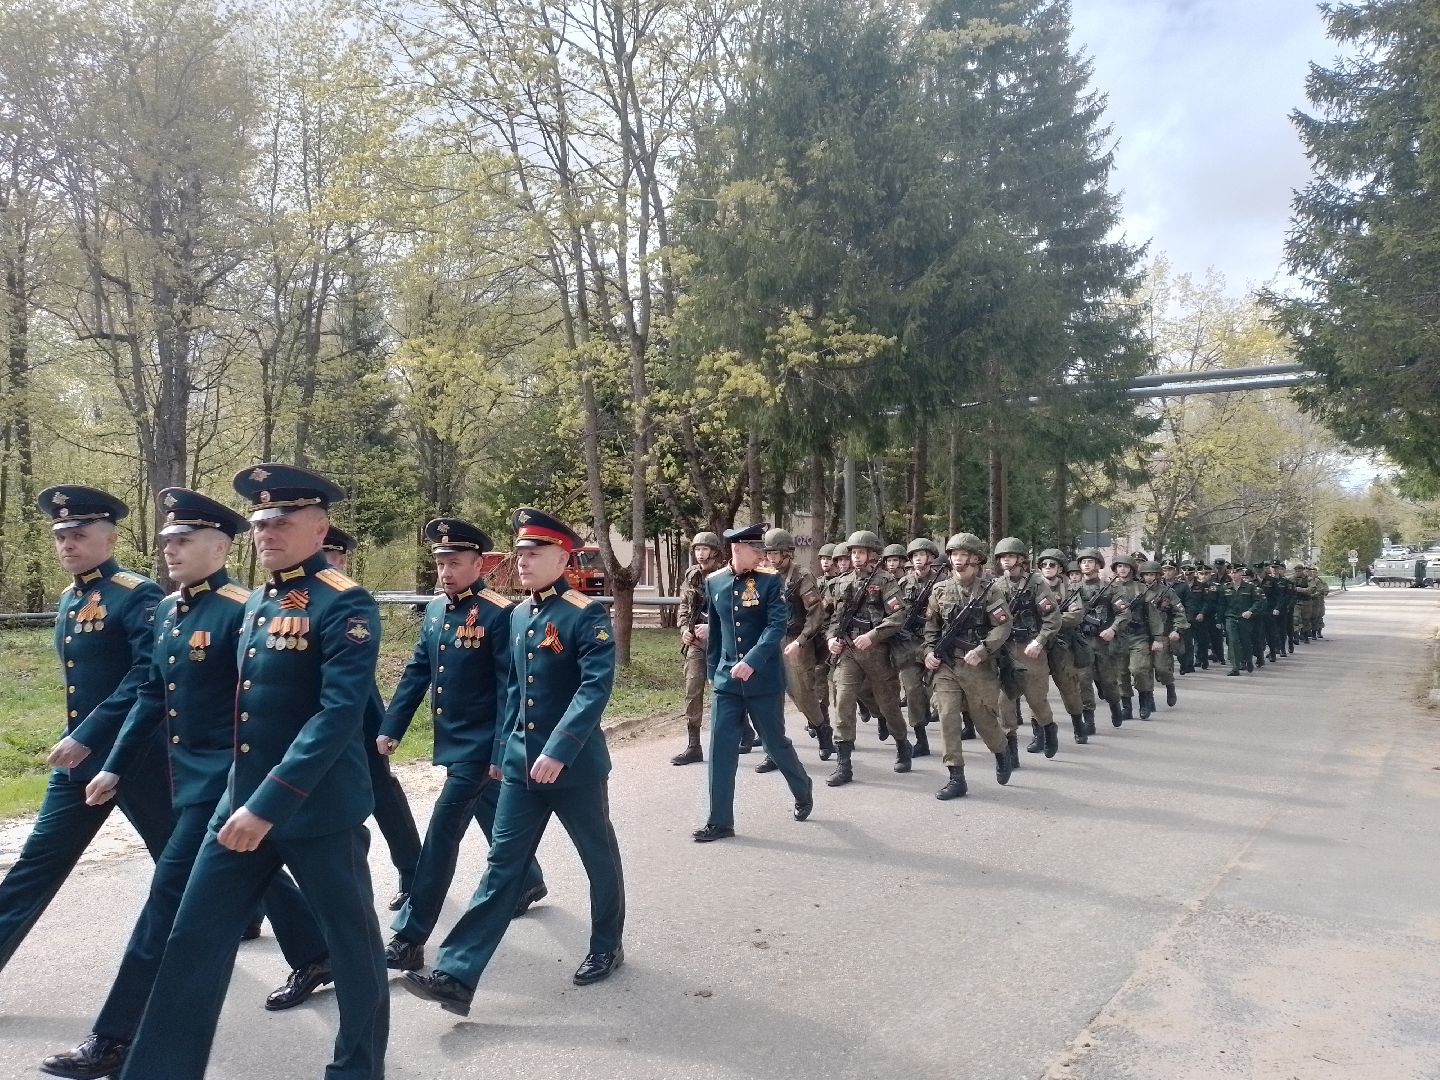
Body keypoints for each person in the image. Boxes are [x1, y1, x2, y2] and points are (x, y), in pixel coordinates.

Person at [42, 488, 332, 1080]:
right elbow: (151, 694)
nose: (170, 550)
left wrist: (258, 790)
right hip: (183, 782)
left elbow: (273, 705)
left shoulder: (242, 609)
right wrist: (114, 766)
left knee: (166, 908)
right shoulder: (174, 612)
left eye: (185, 540)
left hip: (225, 788)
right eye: (167, 540)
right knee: (213, 897)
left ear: (222, 545)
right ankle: (316, 951)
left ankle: (115, 1038)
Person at [120, 464, 389, 1080]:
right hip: (234, 807)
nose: (268, 530)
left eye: (283, 520)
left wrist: (268, 803)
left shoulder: (345, 602)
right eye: (262, 521)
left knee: (352, 950)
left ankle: (357, 1068)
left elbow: (337, 713)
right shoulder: (259, 599)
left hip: (314, 810)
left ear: (319, 528)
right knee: (192, 940)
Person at [401, 507, 625, 1016]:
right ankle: (456, 975)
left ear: (563, 556)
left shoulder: (585, 613)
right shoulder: (519, 614)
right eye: (520, 553)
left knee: (598, 858)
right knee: (502, 867)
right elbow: (512, 693)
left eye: (534, 552)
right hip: (522, 769)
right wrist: (503, 753)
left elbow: (595, 688)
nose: (522, 561)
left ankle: (607, 944)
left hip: (574, 770)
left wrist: (558, 750)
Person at [0, 487, 172, 978]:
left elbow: (146, 677)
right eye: (62, 537)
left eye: (79, 535)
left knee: (188, 855)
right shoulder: (69, 599)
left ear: (110, 537)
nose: (68, 545)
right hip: (79, 763)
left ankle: (307, 946)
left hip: (134, 757)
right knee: (36, 863)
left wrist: (89, 734)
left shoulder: (137, 595)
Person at [379, 518, 548, 975]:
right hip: (452, 741)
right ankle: (529, 881)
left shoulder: (500, 613)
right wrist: (391, 725)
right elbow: (418, 671)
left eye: (456, 562)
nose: (446, 571)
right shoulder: (435, 611)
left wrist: (498, 753)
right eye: (440, 563)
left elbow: (509, 689)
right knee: (487, 809)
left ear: (479, 563)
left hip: (481, 747)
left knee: (441, 833)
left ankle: (410, 936)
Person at [692, 524, 815, 841]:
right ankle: (720, 821)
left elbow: (776, 626)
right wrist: (712, 673)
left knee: (775, 744)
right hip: (726, 682)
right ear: (736, 549)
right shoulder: (714, 582)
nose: (763, 554)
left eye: (763, 550)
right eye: (756, 549)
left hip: (763, 680)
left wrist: (752, 661)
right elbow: (717, 632)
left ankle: (802, 788)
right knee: (721, 749)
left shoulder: (771, 581)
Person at [323, 526, 423, 912]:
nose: (325, 562)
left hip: (357, 710)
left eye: (332, 556)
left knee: (381, 789)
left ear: (343, 560)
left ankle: (413, 870)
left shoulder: (349, 599)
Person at [923, 532, 1014, 799]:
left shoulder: (990, 590)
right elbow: (931, 627)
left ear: (975, 559)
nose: (957, 559)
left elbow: (1003, 624)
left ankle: (1001, 750)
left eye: (963, 554)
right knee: (948, 716)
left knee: (984, 720)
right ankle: (956, 777)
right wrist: (928, 651)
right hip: (947, 666)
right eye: (953, 554)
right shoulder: (939, 590)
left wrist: (983, 650)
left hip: (977, 667)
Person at [825, 530, 914, 785]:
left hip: (877, 652)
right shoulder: (841, 582)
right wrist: (831, 638)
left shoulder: (885, 581)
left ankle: (902, 744)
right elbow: (831, 617)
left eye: (860, 552)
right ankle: (844, 764)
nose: (855, 557)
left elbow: (897, 616)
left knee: (888, 704)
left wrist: (873, 636)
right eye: (853, 552)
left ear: (873, 554)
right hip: (849, 651)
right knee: (843, 700)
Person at [761, 528, 835, 765]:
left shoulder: (802, 576)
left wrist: (800, 641)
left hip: (795, 639)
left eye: (776, 553)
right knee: (768, 696)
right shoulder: (763, 575)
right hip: (768, 640)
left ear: (787, 553)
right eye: (769, 553)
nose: (771, 558)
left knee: (801, 692)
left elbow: (815, 614)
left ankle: (822, 729)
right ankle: (773, 750)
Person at [994, 537, 1063, 762]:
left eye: (1010, 556)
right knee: (1004, 700)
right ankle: (1010, 748)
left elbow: (1052, 617)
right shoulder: (996, 586)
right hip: (1006, 649)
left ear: (1021, 559)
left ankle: (1049, 729)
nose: (1006, 561)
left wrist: (1040, 641)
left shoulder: (1036, 583)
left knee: (1036, 700)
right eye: (1003, 557)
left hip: (1031, 648)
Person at [672, 531, 726, 765]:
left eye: (704, 549)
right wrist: (684, 628)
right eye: (697, 549)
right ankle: (694, 745)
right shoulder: (692, 575)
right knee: (693, 689)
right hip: (696, 641)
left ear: (715, 552)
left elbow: (736, 613)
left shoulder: (727, 575)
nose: (700, 553)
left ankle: (743, 732)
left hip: (724, 642)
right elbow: (684, 607)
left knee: (725, 690)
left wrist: (712, 628)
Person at [892, 539, 943, 757]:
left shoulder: (943, 583)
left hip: (935, 643)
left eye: (922, 555)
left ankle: (964, 724)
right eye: (914, 556)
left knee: (938, 692)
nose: (917, 559)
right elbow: (894, 610)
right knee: (912, 690)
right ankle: (921, 740)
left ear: (931, 557)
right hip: (909, 644)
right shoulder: (904, 583)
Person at [1037, 548, 1089, 744]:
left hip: (1061, 646)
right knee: (1037, 691)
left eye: (1052, 565)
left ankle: (1078, 724)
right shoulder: (1033, 588)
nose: (1047, 568)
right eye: (1044, 565)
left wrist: (1052, 620)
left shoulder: (1069, 590)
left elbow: (1076, 615)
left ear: (1060, 568)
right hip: (1038, 645)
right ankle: (1039, 734)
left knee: (1069, 689)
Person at [1137, 561, 1187, 712]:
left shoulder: (1167, 592)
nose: (1149, 578)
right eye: (1146, 575)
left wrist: (1176, 629)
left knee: (1162, 667)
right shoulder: (1137, 592)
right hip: (1142, 634)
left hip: (1163, 634)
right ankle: (1148, 697)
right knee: (1143, 669)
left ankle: (1170, 685)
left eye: (1152, 574)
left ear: (1158, 576)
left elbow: (1179, 612)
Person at [1219, 563, 1263, 675]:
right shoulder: (1225, 588)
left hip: (1245, 619)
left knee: (1246, 642)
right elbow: (1221, 606)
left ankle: (1248, 660)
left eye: (1236, 572)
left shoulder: (1250, 587)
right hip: (1230, 618)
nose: (1233, 574)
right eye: (1231, 572)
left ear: (1240, 573)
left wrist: (1250, 611)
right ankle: (1235, 667)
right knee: (1233, 642)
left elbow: (1258, 601)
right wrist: (1219, 621)